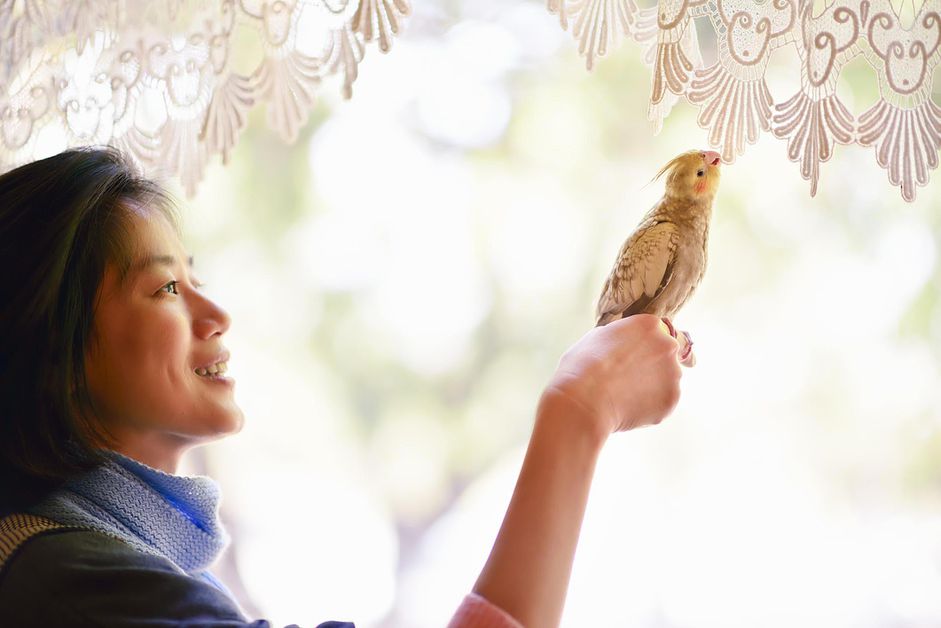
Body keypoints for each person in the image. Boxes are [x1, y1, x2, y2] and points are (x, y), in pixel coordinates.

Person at [0, 147, 694, 627]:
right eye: (165, 289)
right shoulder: (74, 586)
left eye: (197, 278)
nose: (214, 315)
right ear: (52, 344)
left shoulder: (93, 570)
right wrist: (578, 409)